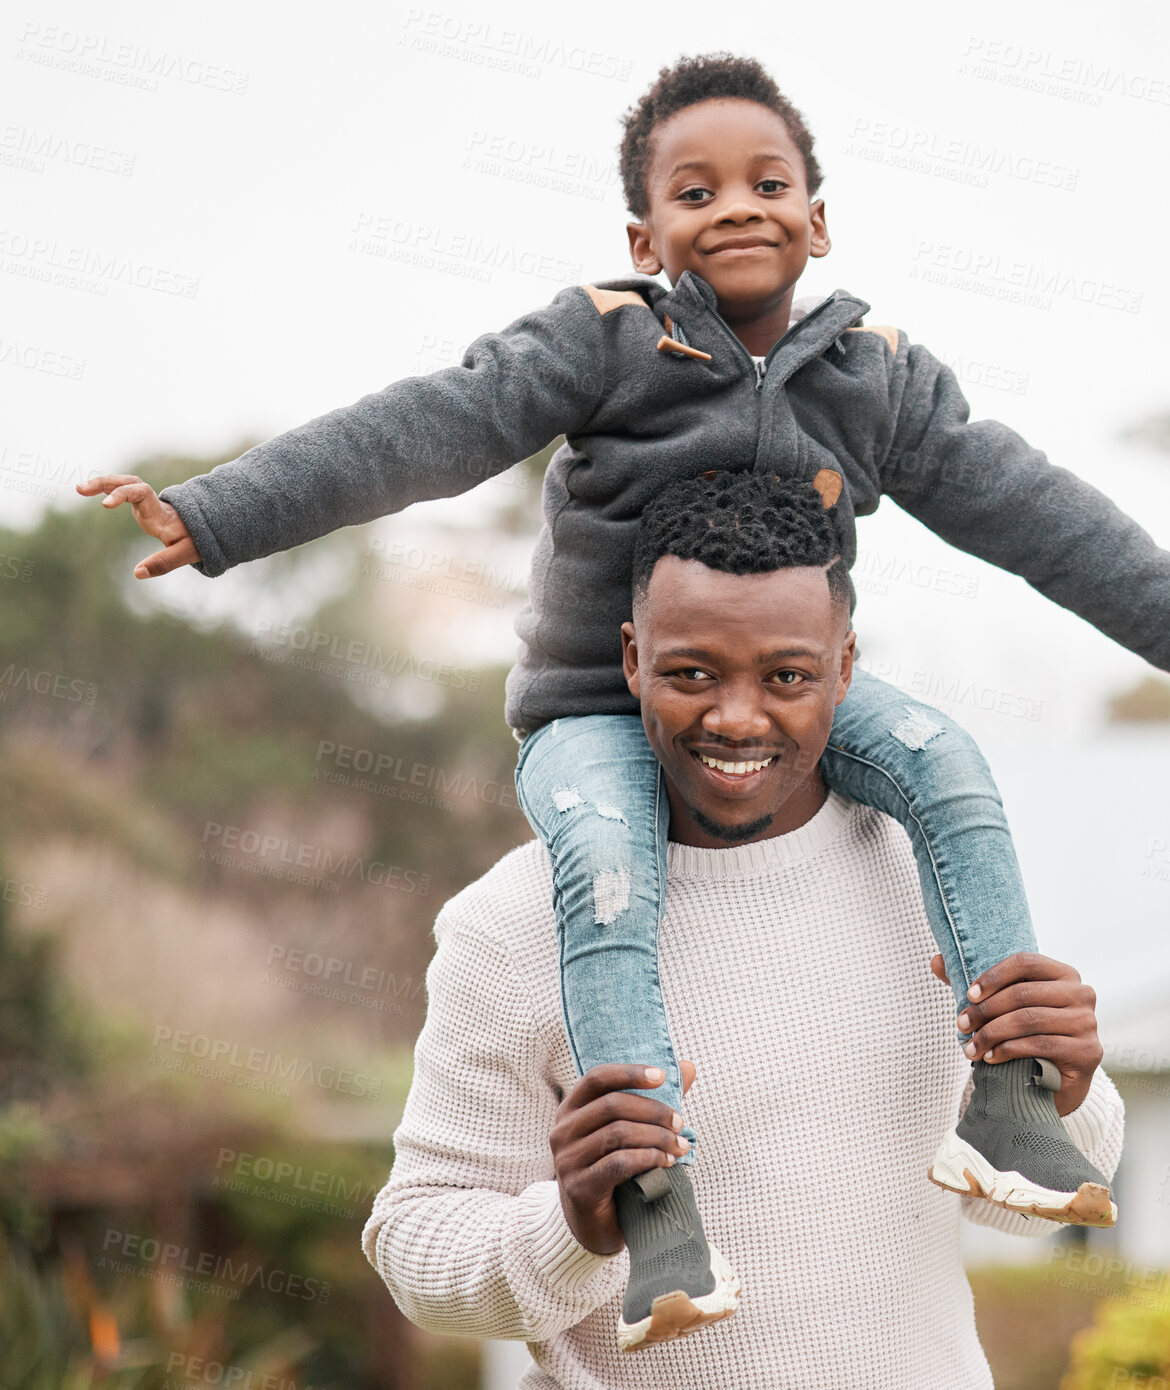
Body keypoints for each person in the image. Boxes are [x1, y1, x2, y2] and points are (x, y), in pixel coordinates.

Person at [78, 50, 1170, 1334]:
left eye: (768, 181)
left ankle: (1014, 1099)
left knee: (952, 765)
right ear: (647, 234)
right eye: (696, 191)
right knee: (609, 873)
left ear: (818, 214)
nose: (737, 205)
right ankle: (652, 1202)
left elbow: (1036, 512)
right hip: (590, 712)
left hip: (802, 708)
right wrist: (218, 512)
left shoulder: (877, 377)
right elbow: (425, 428)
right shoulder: (604, 341)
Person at [362, 471, 1124, 1384]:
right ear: (633, 659)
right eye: (691, 673)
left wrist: (1069, 1089)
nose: (735, 717)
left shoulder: (924, 875)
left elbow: (1009, 1211)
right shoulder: (515, 920)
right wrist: (570, 1223)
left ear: (845, 667)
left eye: (787, 676)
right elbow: (418, 1255)